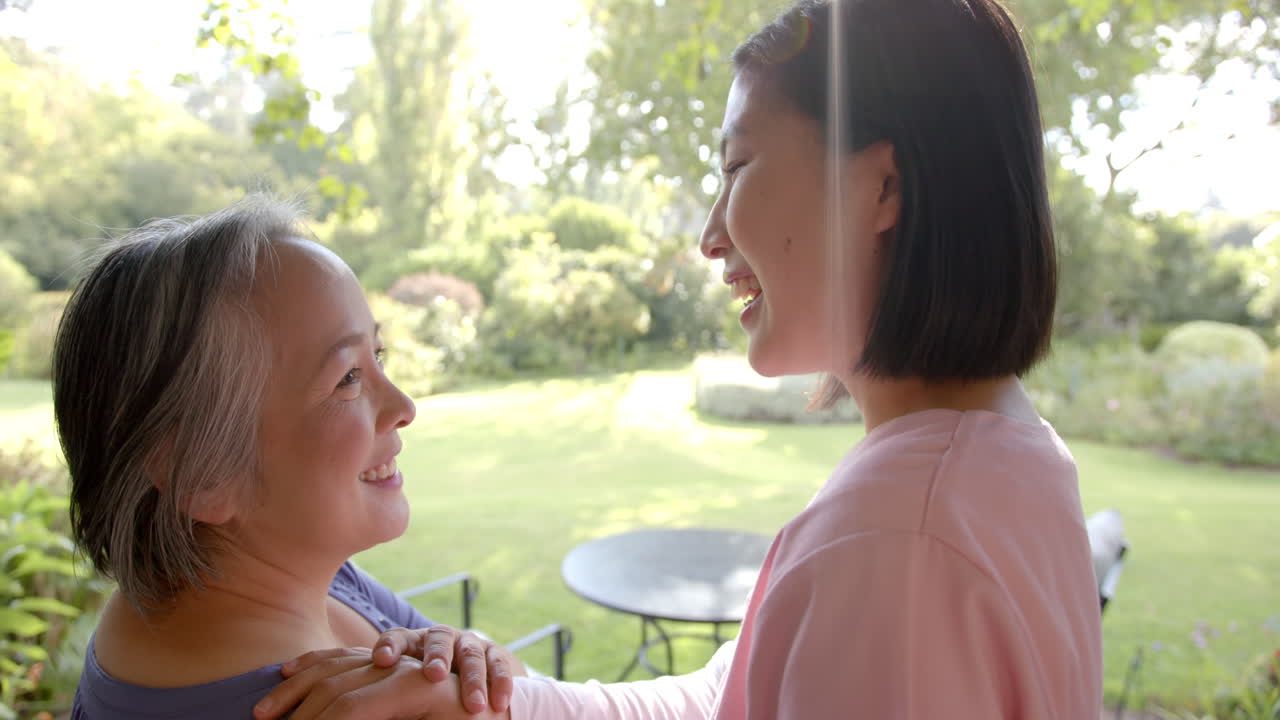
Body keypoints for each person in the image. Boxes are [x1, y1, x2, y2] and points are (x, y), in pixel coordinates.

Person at [258, 0, 1104, 717]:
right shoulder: (999, 461)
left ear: (881, 187)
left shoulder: (901, 543)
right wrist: (501, 696)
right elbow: (725, 695)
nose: (708, 236)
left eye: (737, 165)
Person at [57, 196, 522, 719]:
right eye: (347, 377)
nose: (404, 407)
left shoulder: (302, 577)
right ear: (203, 472)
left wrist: (481, 671)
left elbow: (517, 686)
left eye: (378, 356)